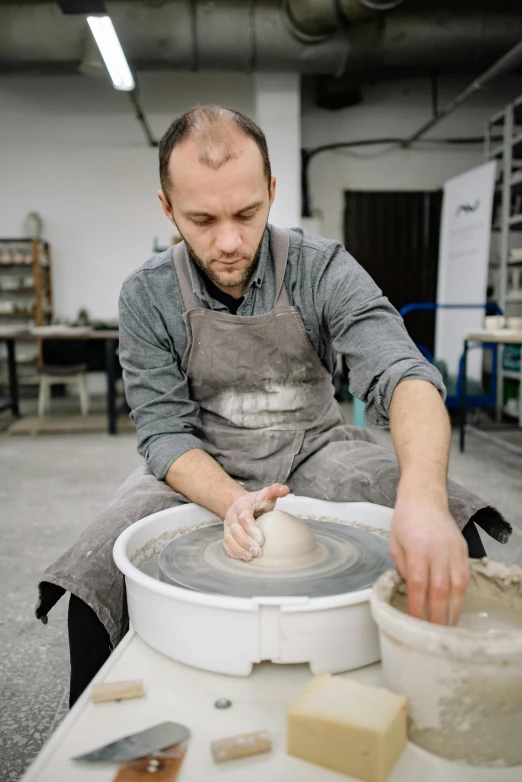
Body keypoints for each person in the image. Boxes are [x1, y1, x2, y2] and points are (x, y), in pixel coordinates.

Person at [36, 105, 511, 706]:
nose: (229, 242)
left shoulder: (324, 269)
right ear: (166, 208)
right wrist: (234, 504)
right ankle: (91, 742)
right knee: (92, 577)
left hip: (315, 449)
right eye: (201, 220)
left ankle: (446, 701)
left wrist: (423, 497)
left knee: (453, 526)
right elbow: (163, 435)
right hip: (198, 464)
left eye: (247, 213)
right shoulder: (146, 293)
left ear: (272, 192)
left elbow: (404, 375)